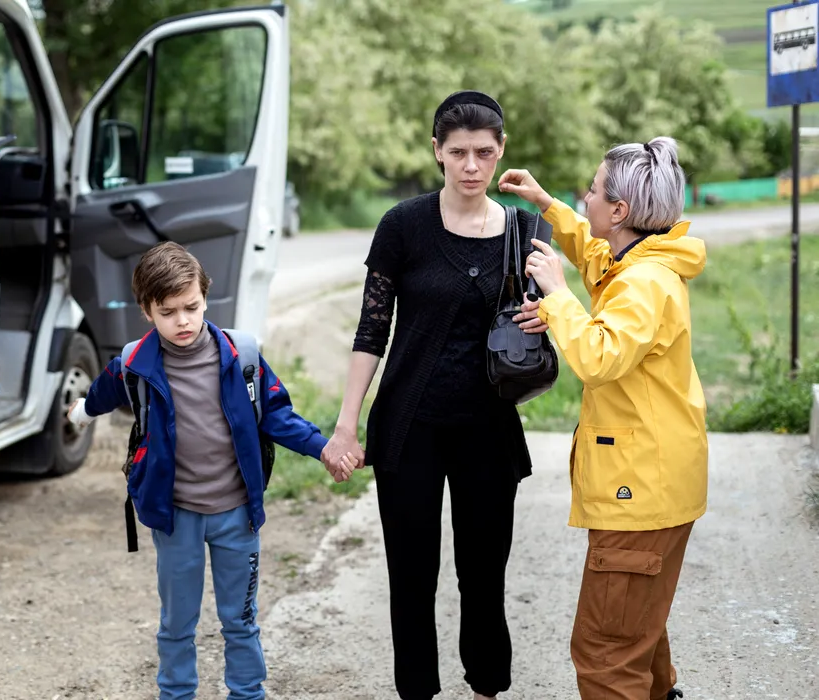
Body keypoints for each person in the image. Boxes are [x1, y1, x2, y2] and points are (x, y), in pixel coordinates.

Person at [325, 90, 549, 700]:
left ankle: (486, 688)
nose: (471, 166)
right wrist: (346, 425)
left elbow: (552, 311)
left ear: (501, 150)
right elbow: (371, 331)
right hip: (409, 429)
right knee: (411, 578)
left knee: (484, 576)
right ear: (436, 152)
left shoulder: (527, 229)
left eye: (484, 153)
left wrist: (547, 313)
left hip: (488, 430)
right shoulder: (403, 225)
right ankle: (418, 692)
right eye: (458, 153)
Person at [66, 241, 351, 700]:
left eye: (191, 307)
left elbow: (277, 415)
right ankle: (177, 693)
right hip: (175, 515)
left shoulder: (242, 356)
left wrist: (323, 449)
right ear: (147, 311)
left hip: (236, 513)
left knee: (240, 619)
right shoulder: (135, 364)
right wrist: (82, 411)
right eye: (168, 312)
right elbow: (104, 391)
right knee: (177, 623)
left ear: (205, 298)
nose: (182, 321)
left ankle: (247, 693)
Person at [498, 137, 707, 700]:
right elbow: (595, 258)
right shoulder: (639, 263)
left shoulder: (643, 283)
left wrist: (556, 296)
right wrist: (547, 205)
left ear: (619, 210)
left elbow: (599, 357)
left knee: (607, 653)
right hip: (657, 484)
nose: (584, 198)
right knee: (638, 625)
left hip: (639, 492)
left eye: (591, 191)